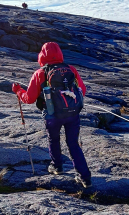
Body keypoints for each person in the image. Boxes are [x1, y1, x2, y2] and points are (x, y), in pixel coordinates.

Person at [11, 42, 92, 188]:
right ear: (60, 53)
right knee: (73, 144)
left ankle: (57, 167)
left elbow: (29, 99)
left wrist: (18, 90)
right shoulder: (71, 69)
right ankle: (85, 178)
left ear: (42, 55)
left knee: (53, 139)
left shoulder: (40, 73)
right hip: (73, 114)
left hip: (52, 115)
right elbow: (82, 91)